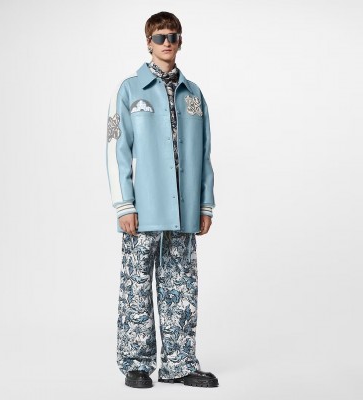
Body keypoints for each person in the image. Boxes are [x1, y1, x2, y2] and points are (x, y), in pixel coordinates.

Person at [105, 11, 218, 389]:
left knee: (181, 286)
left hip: (184, 211)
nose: (167, 43)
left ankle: (179, 363)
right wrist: (124, 204)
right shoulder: (129, 90)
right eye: (160, 37)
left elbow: (204, 153)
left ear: (180, 41)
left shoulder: (194, 94)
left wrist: (205, 204)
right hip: (144, 210)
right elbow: (116, 149)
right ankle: (136, 363)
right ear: (148, 42)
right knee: (136, 286)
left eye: (173, 36)